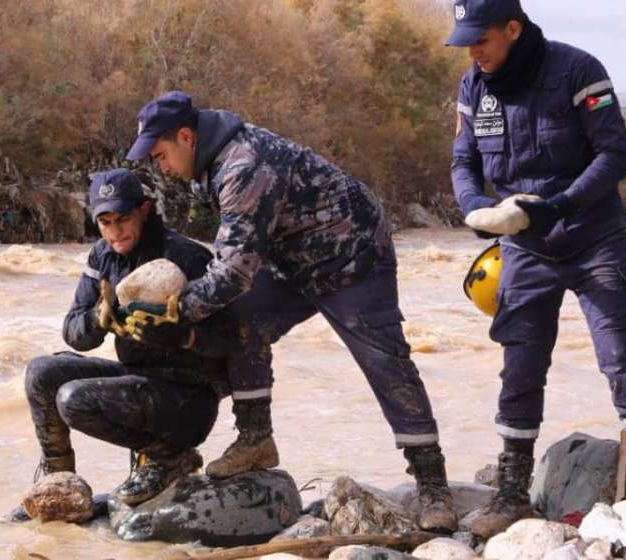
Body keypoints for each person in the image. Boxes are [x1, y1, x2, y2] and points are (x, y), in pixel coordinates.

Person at [125, 91, 458, 532]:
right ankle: (255, 438)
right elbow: (236, 261)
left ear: (186, 137)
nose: (159, 166)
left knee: (385, 363)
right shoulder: (212, 161)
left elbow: (232, 274)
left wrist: (176, 313)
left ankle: (432, 484)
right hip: (292, 259)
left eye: (160, 154)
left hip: (353, 256)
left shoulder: (244, 165)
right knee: (243, 321)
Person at [447, 0, 626, 539]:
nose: (473, 52)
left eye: (480, 39)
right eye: (465, 43)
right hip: (522, 245)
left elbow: (615, 155)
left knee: (619, 350)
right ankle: (511, 488)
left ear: (513, 28)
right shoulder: (472, 87)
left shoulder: (577, 70)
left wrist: (554, 206)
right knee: (521, 362)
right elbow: (463, 161)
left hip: (591, 234)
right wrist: (475, 208)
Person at [19, 168, 235, 511]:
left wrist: (181, 337)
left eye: (123, 219)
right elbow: (74, 333)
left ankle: (170, 457)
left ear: (145, 210)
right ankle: (58, 480)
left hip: (188, 397)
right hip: (138, 380)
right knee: (41, 373)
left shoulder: (188, 258)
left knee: (73, 399)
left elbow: (233, 340)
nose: (115, 232)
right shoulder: (101, 257)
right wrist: (97, 318)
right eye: (105, 222)